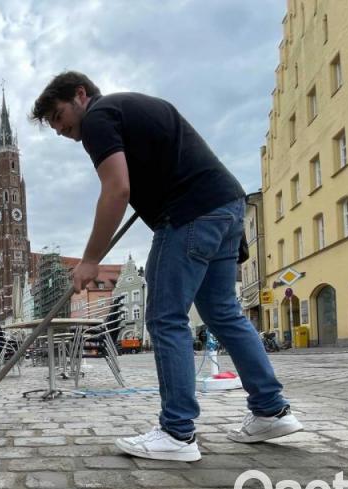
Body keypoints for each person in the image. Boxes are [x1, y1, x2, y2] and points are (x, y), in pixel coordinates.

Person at [30, 71, 302, 462]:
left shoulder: (99, 118)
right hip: (225, 206)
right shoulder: (129, 109)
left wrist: (90, 259)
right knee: (224, 314)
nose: (59, 129)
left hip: (190, 214)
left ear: (80, 94)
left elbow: (116, 188)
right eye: (53, 125)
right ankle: (271, 410)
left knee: (165, 318)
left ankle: (177, 432)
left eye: (58, 116)